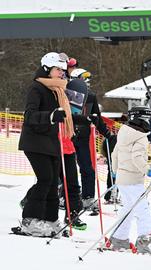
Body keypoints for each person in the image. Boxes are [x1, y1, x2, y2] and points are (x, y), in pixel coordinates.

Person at [18, 52, 72, 236]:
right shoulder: (37, 88)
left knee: (53, 183)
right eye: (58, 70)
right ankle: (30, 219)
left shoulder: (56, 90)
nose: (61, 74)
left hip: (50, 142)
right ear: (47, 69)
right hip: (34, 141)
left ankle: (50, 219)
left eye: (63, 71)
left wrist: (86, 119)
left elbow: (63, 115)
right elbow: (29, 116)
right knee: (45, 179)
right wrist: (50, 116)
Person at [110, 106, 151, 254]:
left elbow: (115, 154)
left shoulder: (123, 132)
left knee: (128, 208)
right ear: (140, 120)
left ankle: (119, 239)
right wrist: (150, 171)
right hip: (133, 179)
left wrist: (115, 171)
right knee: (143, 209)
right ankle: (144, 241)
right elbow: (137, 158)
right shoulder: (140, 137)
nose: (148, 122)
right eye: (147, 119)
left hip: (123, 178)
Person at [69, 67, 113, 211]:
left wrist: (107, 134)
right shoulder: (66, 94)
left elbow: (97, 119)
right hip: (67, 136)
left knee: (87, 168)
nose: (87, 82)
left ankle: (88, 198)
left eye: (88, 79)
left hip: (82, 137)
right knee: (65, 169)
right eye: (84, 79)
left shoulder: (91, 96)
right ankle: (63, 195)